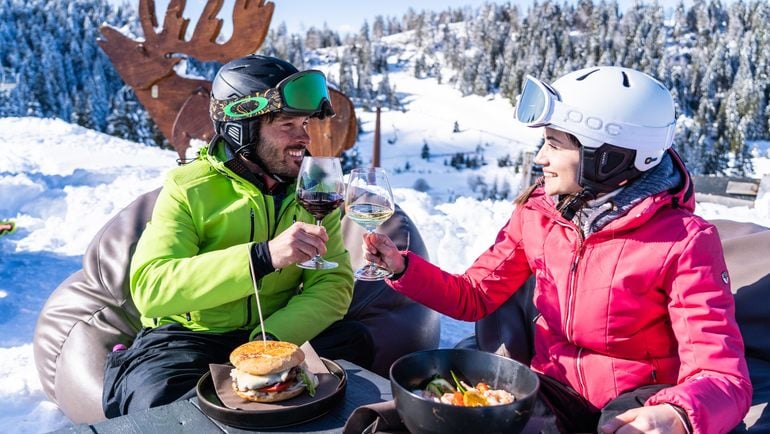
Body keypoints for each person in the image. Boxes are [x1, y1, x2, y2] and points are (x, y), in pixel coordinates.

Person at [364, 66, 752, 433]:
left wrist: (677, 414)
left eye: (554, 144)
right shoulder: (539, 214)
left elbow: (722, 376)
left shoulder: (683, 241)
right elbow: (475, 295)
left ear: (607, 159)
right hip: (551, 390)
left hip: (639, 403)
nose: (541, 158)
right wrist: (402, 268)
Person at [102, 55, 373, 417]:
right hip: (191, 338)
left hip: (275, 330)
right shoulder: (188, 188)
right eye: (287, 124)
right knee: (161, 405)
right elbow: (152, 289)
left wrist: (270, 341)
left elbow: (333, 282)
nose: (304, 137)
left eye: (305, 123)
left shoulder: (313, 187)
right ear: (240, 127)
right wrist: (261, 257)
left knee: (355, 346)